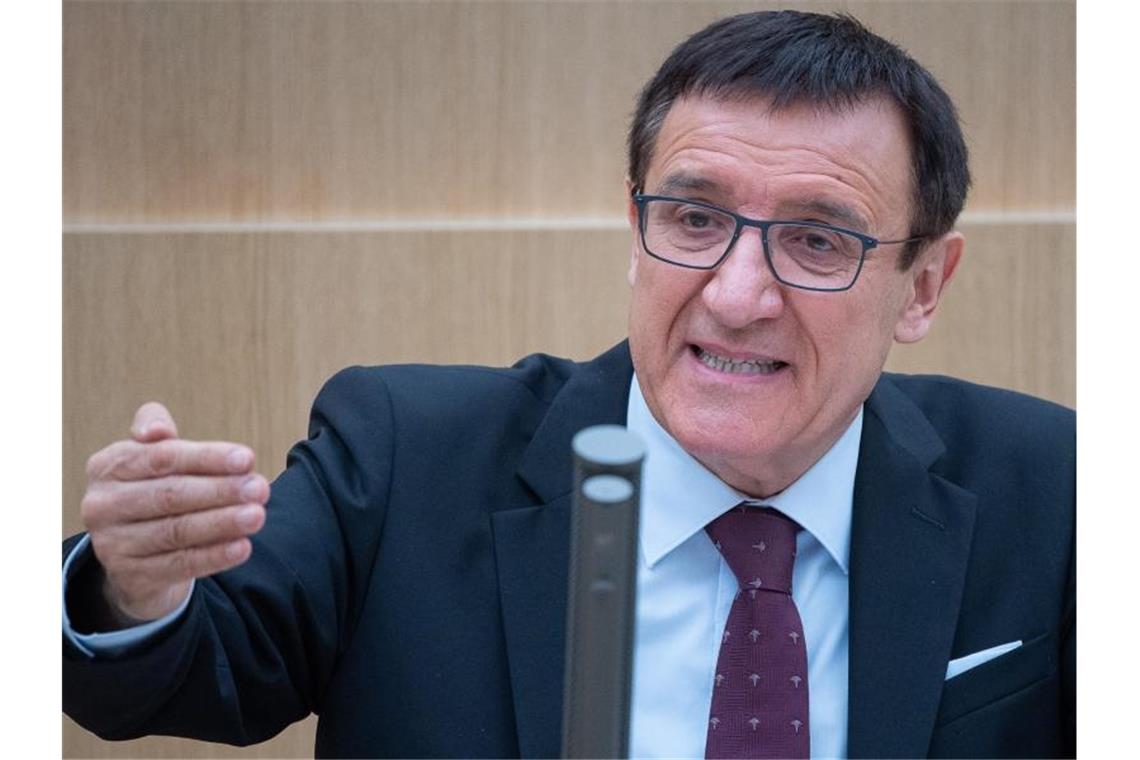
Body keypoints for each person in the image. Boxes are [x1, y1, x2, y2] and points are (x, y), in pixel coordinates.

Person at [63, 10, 1075, 759]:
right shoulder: (406, 459)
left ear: (924, 285)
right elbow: (188, 664)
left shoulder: (1057, 493)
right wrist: (134, 585)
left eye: (816, 239)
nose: (736, 292)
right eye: (693, 218)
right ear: (636, 229)